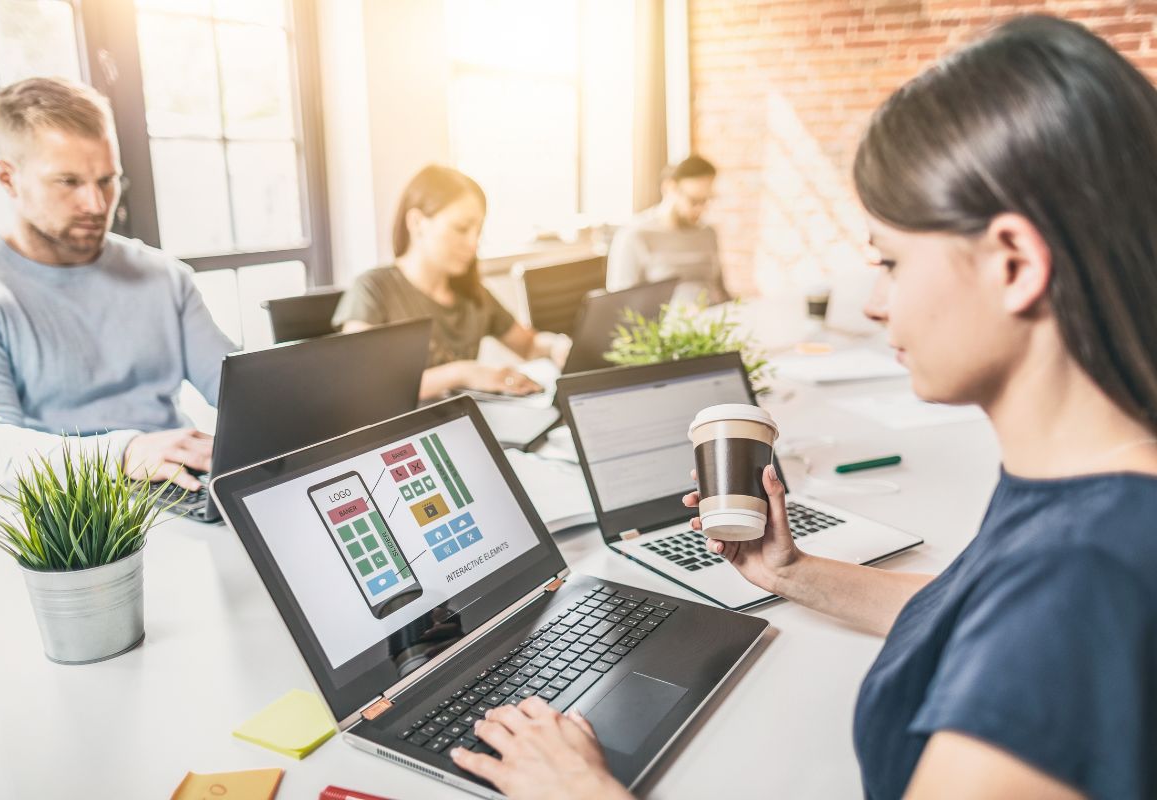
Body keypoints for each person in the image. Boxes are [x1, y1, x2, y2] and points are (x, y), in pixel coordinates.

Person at [448, 15, 1157, 800]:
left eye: (890, 261)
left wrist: (579, 792)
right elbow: (970, 607)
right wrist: (791, 571)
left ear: (1015, 264)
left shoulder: (1084, 581)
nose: (879, 302)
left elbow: (1032, 636)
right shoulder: (1088, 486)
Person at [0, 77, 235, 498]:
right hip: (62, 517)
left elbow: (237, 390)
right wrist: (125, 452)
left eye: (107, 180)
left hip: (180, 490)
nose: (98, 204)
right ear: (8, 178)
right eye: (68, 182)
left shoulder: (165, 276)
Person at [333, 165, 567, 400]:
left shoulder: (473, 295)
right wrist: (462, 373)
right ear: (417, 223)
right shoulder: (372, 290)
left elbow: (528, 345)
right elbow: (361, 385)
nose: (473, 243)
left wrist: (556, 345)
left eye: (478, 232)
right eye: (461, 228)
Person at [606, 154, 727, 306]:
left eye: (706, 200)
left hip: (712, 323)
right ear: (669, 188)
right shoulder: (634, 235)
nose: (701, 209)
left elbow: (721, 291)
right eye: (694, 200)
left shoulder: (707, 233)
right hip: (663, 327)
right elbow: (620, 306)